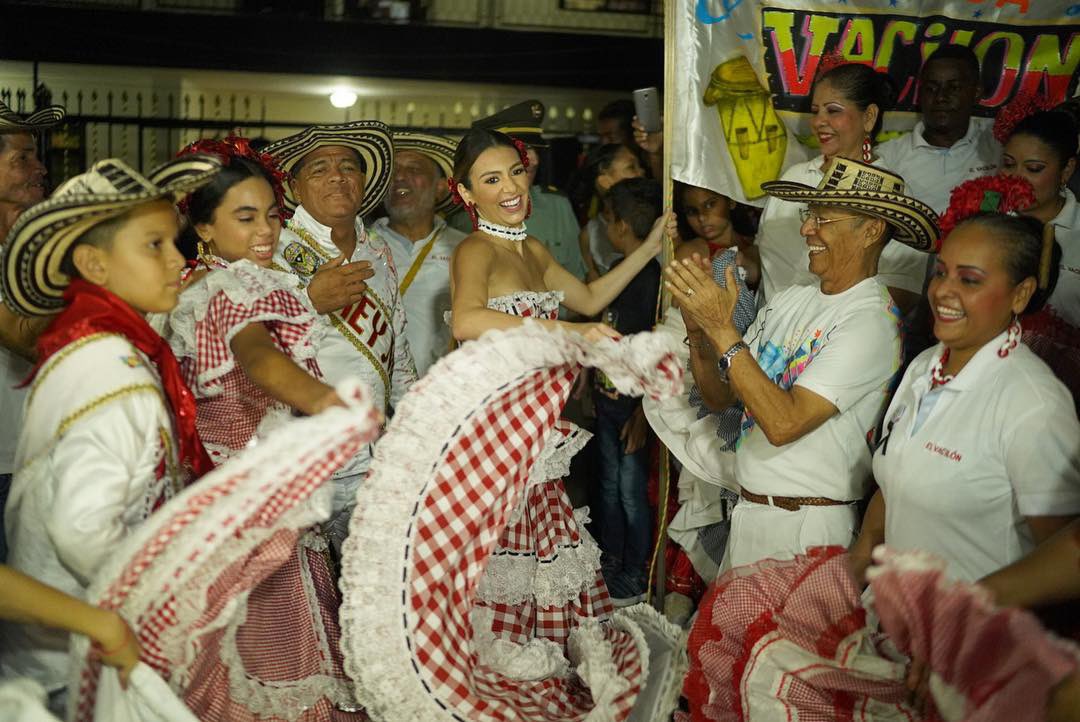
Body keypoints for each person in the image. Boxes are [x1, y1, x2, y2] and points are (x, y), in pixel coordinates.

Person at [0, 156, 220, 706]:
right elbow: (81, 528)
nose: (177, 260)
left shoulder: (97, 346)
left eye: (176, 242)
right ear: (94, 265)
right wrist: (164, 595)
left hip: (58, 646)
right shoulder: (113, 370)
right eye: (154, 245)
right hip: (77, 659)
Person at [448, 127, 665, 669]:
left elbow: (590, 298)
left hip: (537, 424)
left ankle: (534, 656)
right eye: (490, 180)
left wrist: (650, 247)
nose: (510, 187)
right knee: (507, 554)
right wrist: (570, 334)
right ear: (467, 194)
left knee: (542, 551)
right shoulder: (475, 249)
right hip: (496, 429)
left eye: (515, 172)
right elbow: (469, 319)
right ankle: (501, 666)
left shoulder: (533, 247)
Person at [158, 137, 360, 720]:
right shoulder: (236, 288)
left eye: (272, 214)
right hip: (249, 484)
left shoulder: (187, 288)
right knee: (275, 632)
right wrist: (329, 402)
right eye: (244, 217)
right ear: (203, 228)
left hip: (211, 478)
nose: (266, 230)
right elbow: (260, 360)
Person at [666, 158, 938, 570]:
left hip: (807, 530)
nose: (807, 228)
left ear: (871, 230)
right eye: (810, 215)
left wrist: (723, 330)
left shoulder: (871, 321)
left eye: (823, 218)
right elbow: (722, 398)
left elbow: (783, 423)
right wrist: (701, 337)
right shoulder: (794, 297)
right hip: (751, 514)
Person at [848, 177, 1080, 586]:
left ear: (1021, 295)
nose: (943, 292)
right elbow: (896, 483)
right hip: (893, 623)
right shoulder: (923, 368)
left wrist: (973, 618)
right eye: (941, 273)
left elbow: (1063, 559)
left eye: (969, 280)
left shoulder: (1033, 404)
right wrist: (845, 588)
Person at [266, 120, 416, 554]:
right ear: (293, 186)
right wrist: (309, 302)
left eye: (348, 166)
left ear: (364, 181)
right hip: (304, 462)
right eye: (319, 169)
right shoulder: (272, 250)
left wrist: (415, 426)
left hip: (376, 457)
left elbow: (398, 350)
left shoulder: (378, 250)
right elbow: (246, 355)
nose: (337, 176)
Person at [752, 63, 927, 315]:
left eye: (833, 111)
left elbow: (902, 292)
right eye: (815, 112)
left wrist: (820, 331)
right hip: (765, 337)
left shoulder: (889, 194)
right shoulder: (795, 177)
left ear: (869, 117)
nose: (819, 122)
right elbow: (765, 263)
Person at [591, 177, 663, 606]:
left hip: (634, 407)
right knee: (607, 487)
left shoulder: (652, 282)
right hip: (607, 402)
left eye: (606, 221)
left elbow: (658, 349)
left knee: (632, 495)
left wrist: (644, 413)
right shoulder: (621, 274)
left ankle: (636, 572)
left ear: (621, 225)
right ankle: (611, 561)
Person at [0, 99, 64, 564]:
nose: (39, 168)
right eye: (22, 158)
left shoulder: (35, 248)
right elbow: (24, 340)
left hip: (46, 459)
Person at [449, 100, 589, 283]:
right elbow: (467, 310)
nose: (534, 160)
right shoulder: (466, 229)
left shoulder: (556, 206)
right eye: (522, 149)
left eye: (534, 150)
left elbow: (583, 291)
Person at [997, 107, 1080, 404]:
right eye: (1008, 164)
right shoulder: (986, 222)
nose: (1016, 180)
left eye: (1033, 169)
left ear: (1067, 170)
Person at [369, 131, 465, 375]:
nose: (400, 177)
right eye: (393, 172)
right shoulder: (358, 245)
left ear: (441, 188)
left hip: (440, 394)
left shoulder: (465, 249)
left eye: (414, 169)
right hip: (369, 396)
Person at [875, 44, 1000, 215]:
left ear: (976, 92)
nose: (941, 97)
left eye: (954, 87)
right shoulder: (887, 158)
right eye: (931, 89)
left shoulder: (997, 150)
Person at [569, 143, 647, 279]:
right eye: (631, 167)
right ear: (604, 181)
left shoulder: (657, 219)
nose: (641, 172)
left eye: (639, 166)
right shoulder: (590, 235)